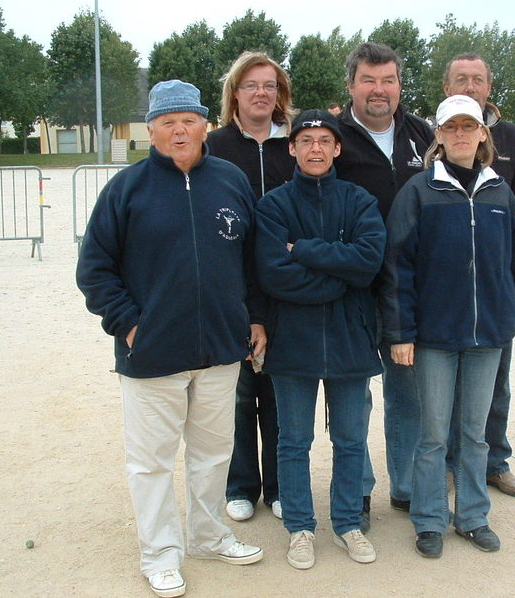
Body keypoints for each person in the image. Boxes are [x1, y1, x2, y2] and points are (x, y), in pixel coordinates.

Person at [77, 80, 264, 598]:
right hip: (152, 353)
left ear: (205, 125)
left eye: (188, 120)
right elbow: (94, 270)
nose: (179, 131)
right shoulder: (126, 189)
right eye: (167, 122)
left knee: (213, 453)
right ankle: (160, 553)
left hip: (221, 349)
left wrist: (253, 317)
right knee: (152, 462)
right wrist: (130, 324)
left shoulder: (230, 180)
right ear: (152, 129)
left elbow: (253, 259)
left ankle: (208, 536)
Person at [380, 94, 515, 559]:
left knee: (474, 434)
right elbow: (398, 267)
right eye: (450, 127)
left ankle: (472, 517)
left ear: (481, 135)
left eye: (468, 127)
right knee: (433, 434)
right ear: (438, 135)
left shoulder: (499, 192)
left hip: (488, 335)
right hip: (434, 337)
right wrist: (401, 333)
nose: (459, 134)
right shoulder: (419, 191)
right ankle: (429, 519)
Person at [254, 110, 386, 570]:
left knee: (350, 440)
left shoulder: (360, 200)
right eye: (306, 141)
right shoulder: (273, 206)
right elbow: (274, 273)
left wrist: (306, 250)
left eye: (324, 140)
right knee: (293, 441)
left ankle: (348, 522)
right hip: (293, 339)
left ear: (337, 148)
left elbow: (368, 262)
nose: (315, 149)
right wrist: (339, 278)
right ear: (291, 148)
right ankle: (300, 527)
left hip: (351, 338)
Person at [333, 42, 434, 527]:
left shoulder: (422, 136)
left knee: (408, 392)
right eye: (369, 80)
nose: (379, 90)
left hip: (410, 291)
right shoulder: (333, 137)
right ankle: (358, 489)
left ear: (399, 85)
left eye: (388, 80)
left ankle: (408, 485)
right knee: (354, 396)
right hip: (353, 288)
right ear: (351, 85)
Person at [443, 53, 515, 498]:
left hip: (495, 287)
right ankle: (449, 464)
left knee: (496, 383)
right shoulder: (439, 134)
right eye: (461, 79)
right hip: (449, 287)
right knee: (445, 386)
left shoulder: (512, 138)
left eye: (477, 79)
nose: (469, 85)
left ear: (489, 87)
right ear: (447, 88)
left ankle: (494, 462)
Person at [207, 51, 296, 524]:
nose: (261, 93)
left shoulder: (295, 144)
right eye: (251, 85)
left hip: (285, 287)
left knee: (279, 391)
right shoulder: (215, 146)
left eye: (269, 85)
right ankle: (240, 484)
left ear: (279, 94)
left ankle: (279, 486)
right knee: (239, 393)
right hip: (232, 286)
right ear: (235, 93)